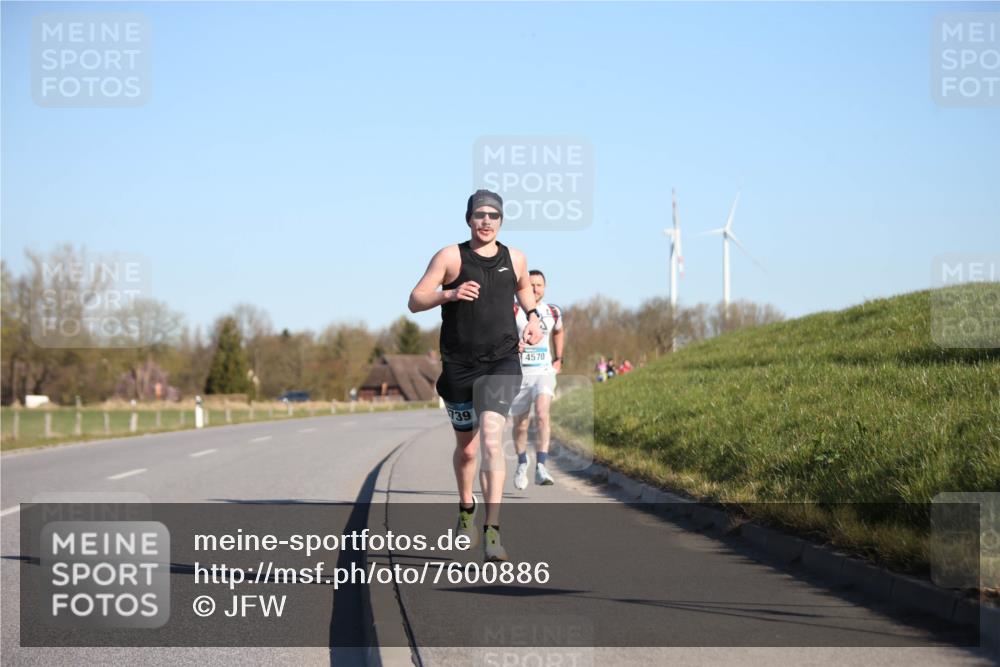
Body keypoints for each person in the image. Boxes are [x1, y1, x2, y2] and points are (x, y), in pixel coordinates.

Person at [408, 189, 542, 562]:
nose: (486, 221)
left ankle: (492, 531)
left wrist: (532, 318)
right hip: (459, 365)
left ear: (501, 220)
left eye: (493, 216)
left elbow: (522, 290)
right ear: (469, 218)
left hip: (501, 362)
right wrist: (448, 294)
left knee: (490, 443)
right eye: (480, 215)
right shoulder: (450, 256)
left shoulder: (516, 258)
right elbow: (415, 299)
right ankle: (466, 509)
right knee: (467, 449)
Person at [511, 270, 564, 489]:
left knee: (543, 415)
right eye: (531, 284)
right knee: (521, 425)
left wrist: (559, 359)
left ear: (544, 287)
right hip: (518, 375)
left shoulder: (553, 311)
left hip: (543, 372)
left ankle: (542, 466)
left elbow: (559, 332)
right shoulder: (512, 310)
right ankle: (522, 461)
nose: (535, 289)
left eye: (539, 285)